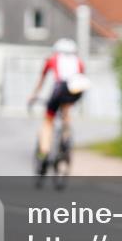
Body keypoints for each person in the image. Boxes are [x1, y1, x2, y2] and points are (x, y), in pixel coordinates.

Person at [28, 38, 86, 170]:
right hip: (76, 88)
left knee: (48, 121)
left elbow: (41, 80)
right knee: (66, 112)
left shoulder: (52, 59)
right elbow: (81, 78)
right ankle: (66, 139)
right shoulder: (79, 62)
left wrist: (33, 95)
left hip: (60, 87)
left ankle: (44, 152)